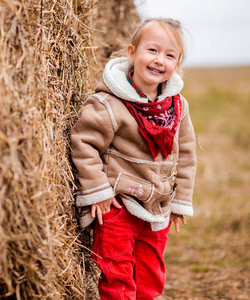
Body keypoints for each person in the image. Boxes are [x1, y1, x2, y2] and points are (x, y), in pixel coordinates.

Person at [70, 18, 197, 299]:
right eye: (152, 50)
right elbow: (84, 144)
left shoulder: (178, 107)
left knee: (150, 278)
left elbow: (186, 154)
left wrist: (180, 201)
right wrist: (99, 191)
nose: (159, 60)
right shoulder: (109, 104)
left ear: (177, 64)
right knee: (117, 274)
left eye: (169, 55)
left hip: (157, 206)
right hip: (118, 205)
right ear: (131, 53)